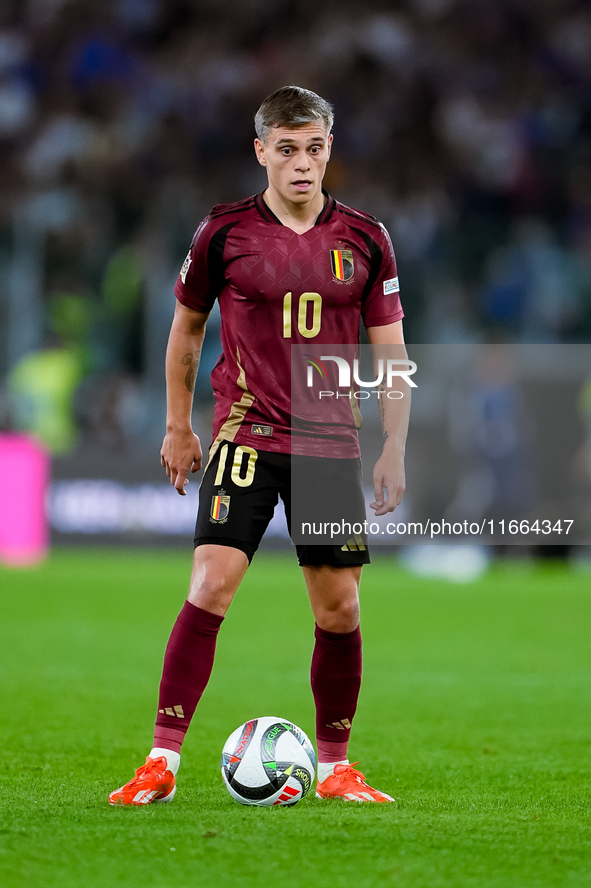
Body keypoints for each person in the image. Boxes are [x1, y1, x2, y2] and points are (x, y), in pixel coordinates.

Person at [109, 86, 408, 806]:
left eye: (314, 149)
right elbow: (185, 329)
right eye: (287, 150)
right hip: (245, 433)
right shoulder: (223, 232)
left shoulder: (365, 238)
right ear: (261, 152)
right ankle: (161, 760)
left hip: (331, 445)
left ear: (328, 149)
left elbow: (390, 349)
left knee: (339, 610)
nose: (302, 164)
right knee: (211, 584)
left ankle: (335, 765)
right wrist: (179, 425)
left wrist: (394, 443)